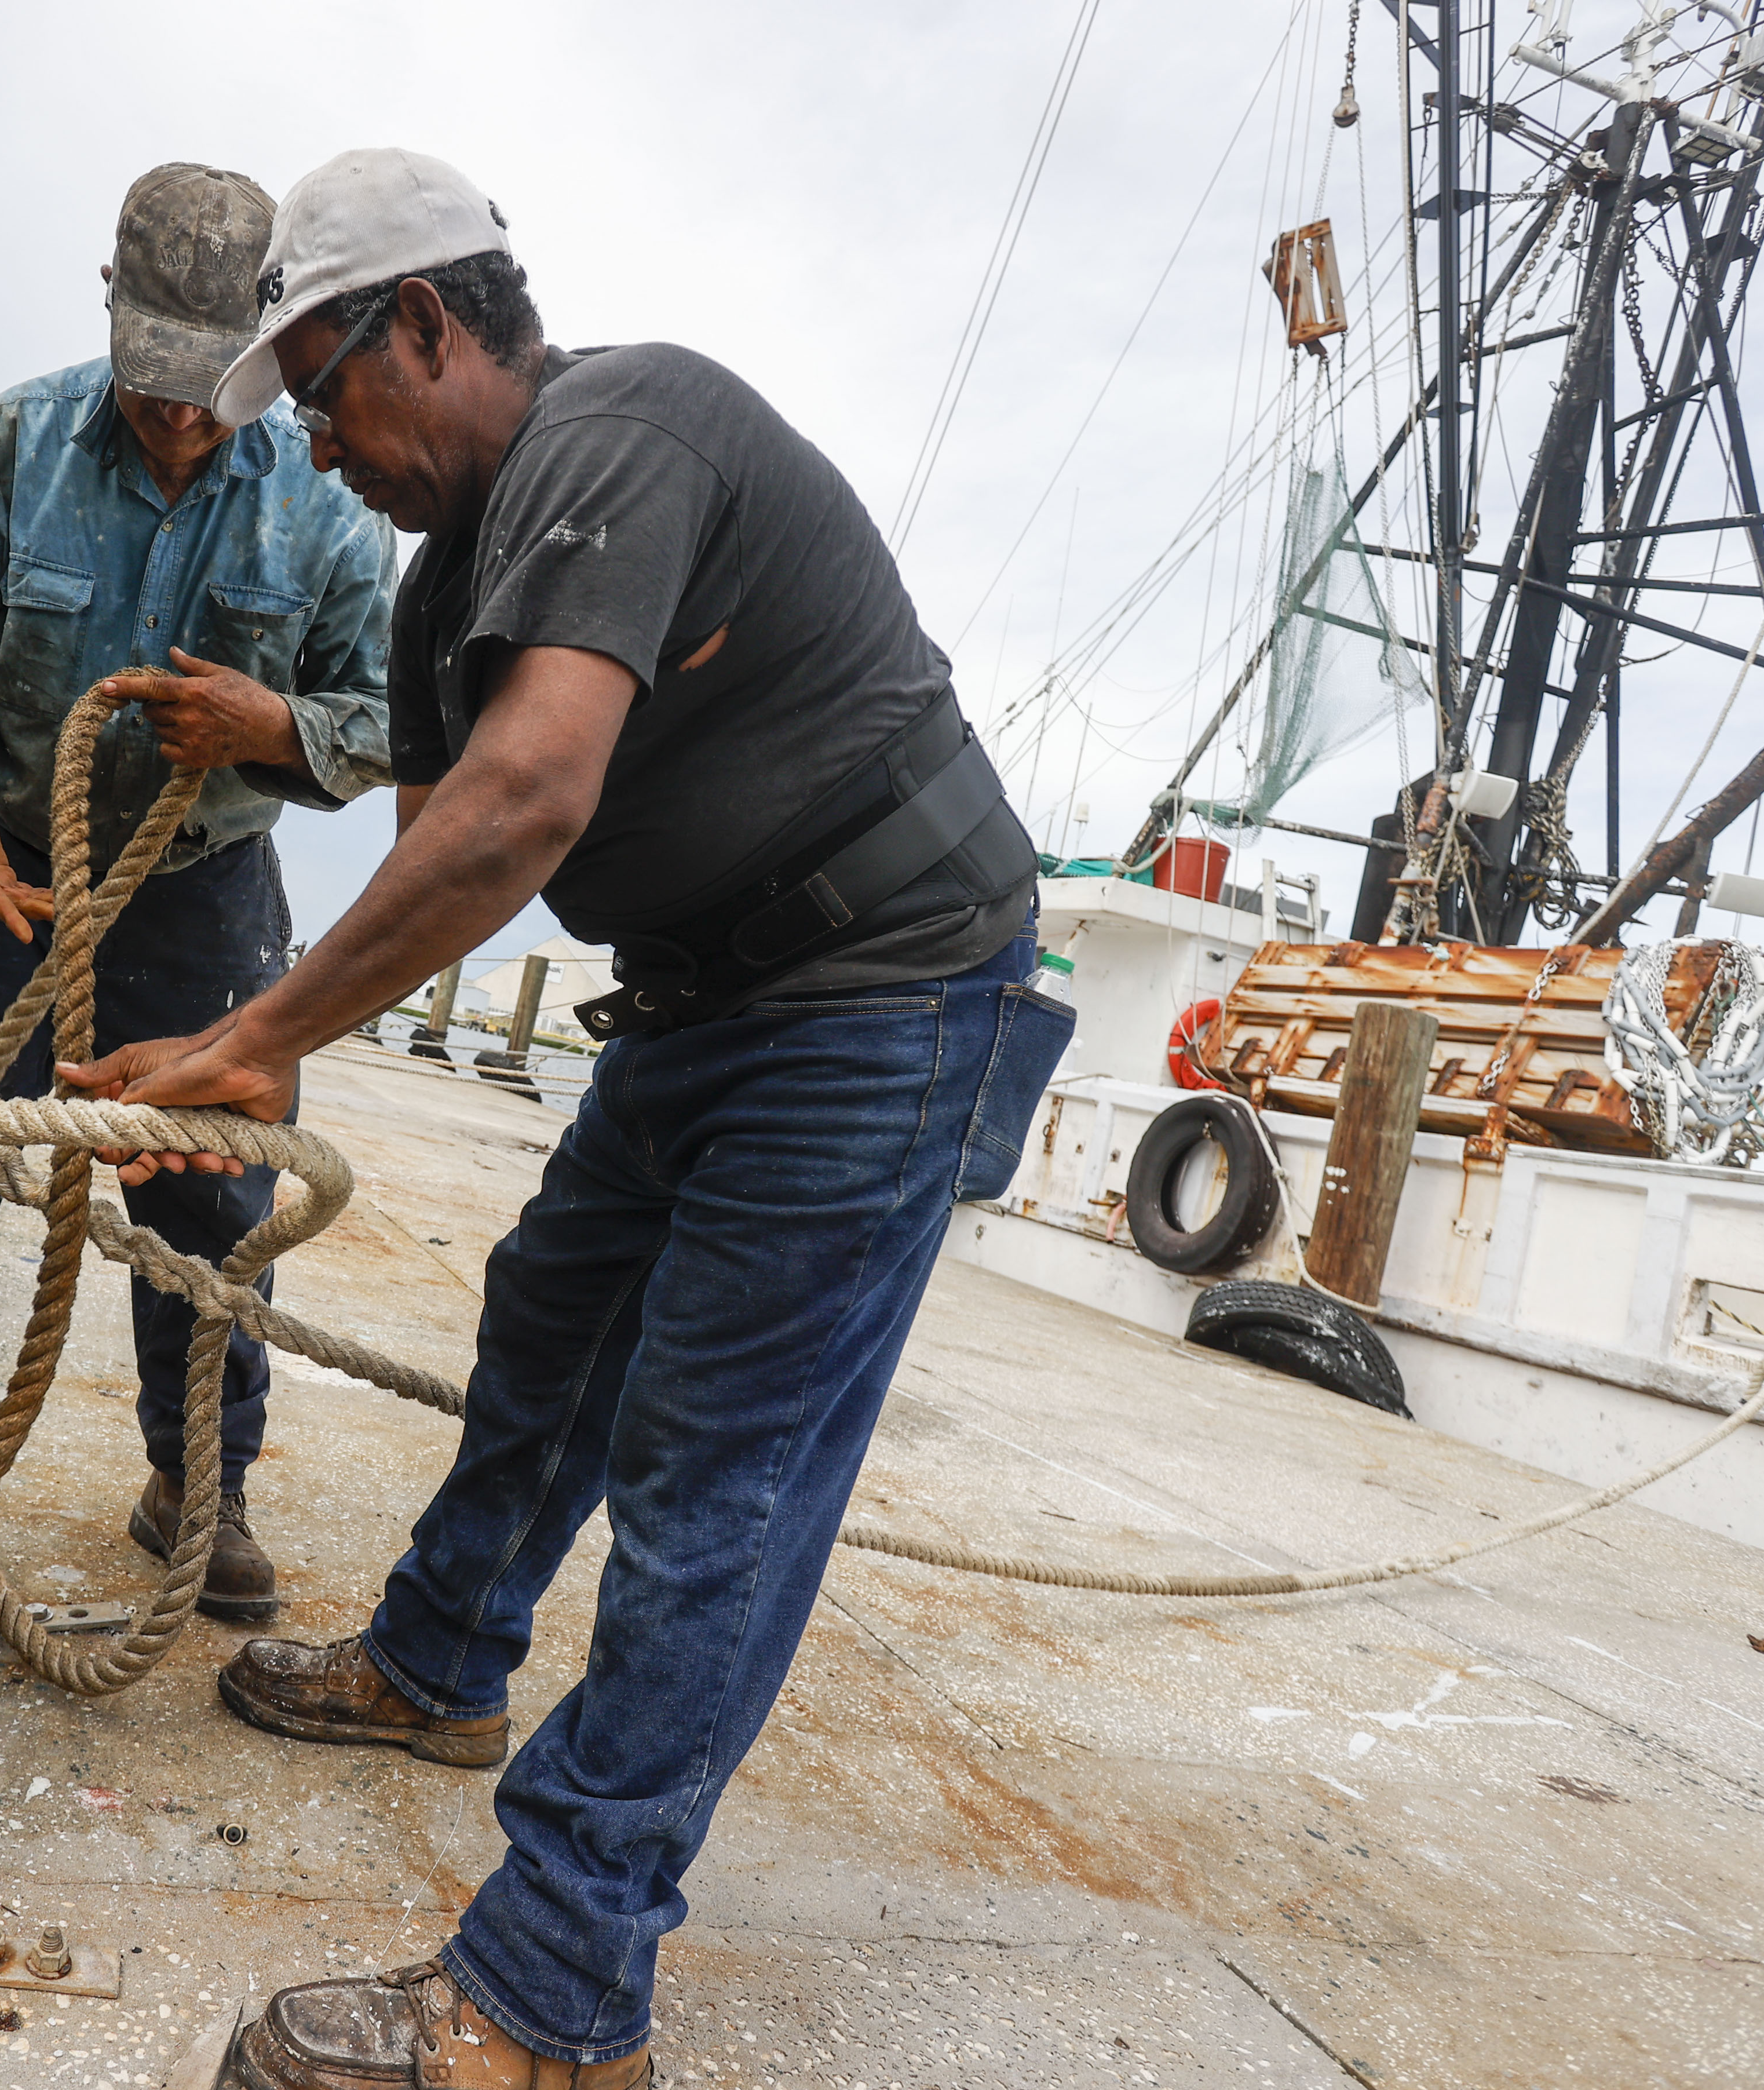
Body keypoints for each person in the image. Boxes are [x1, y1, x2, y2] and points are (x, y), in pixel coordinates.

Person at [60, 150, 1073, 2088]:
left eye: (327, 391)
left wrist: (261, 1032)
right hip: (709, 1001)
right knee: (549, 1317)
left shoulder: (629, 424)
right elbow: (444, 820)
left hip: (882, 995)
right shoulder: (461, 575)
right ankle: (441, 1659)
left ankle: (550, 1989)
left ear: (423, 325)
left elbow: (524, 804)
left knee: (717, 1476)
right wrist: (256, 1042)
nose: (325, 452)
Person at [0, 162, 395, 1622]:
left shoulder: (331, 513)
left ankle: (197, 1480)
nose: (184, 416)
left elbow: (399, 712)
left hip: (205, 885)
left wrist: (273, 732)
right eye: (158, 382)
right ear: (111, 314)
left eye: (216, 388)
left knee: (213, 1194)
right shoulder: (10, 447)